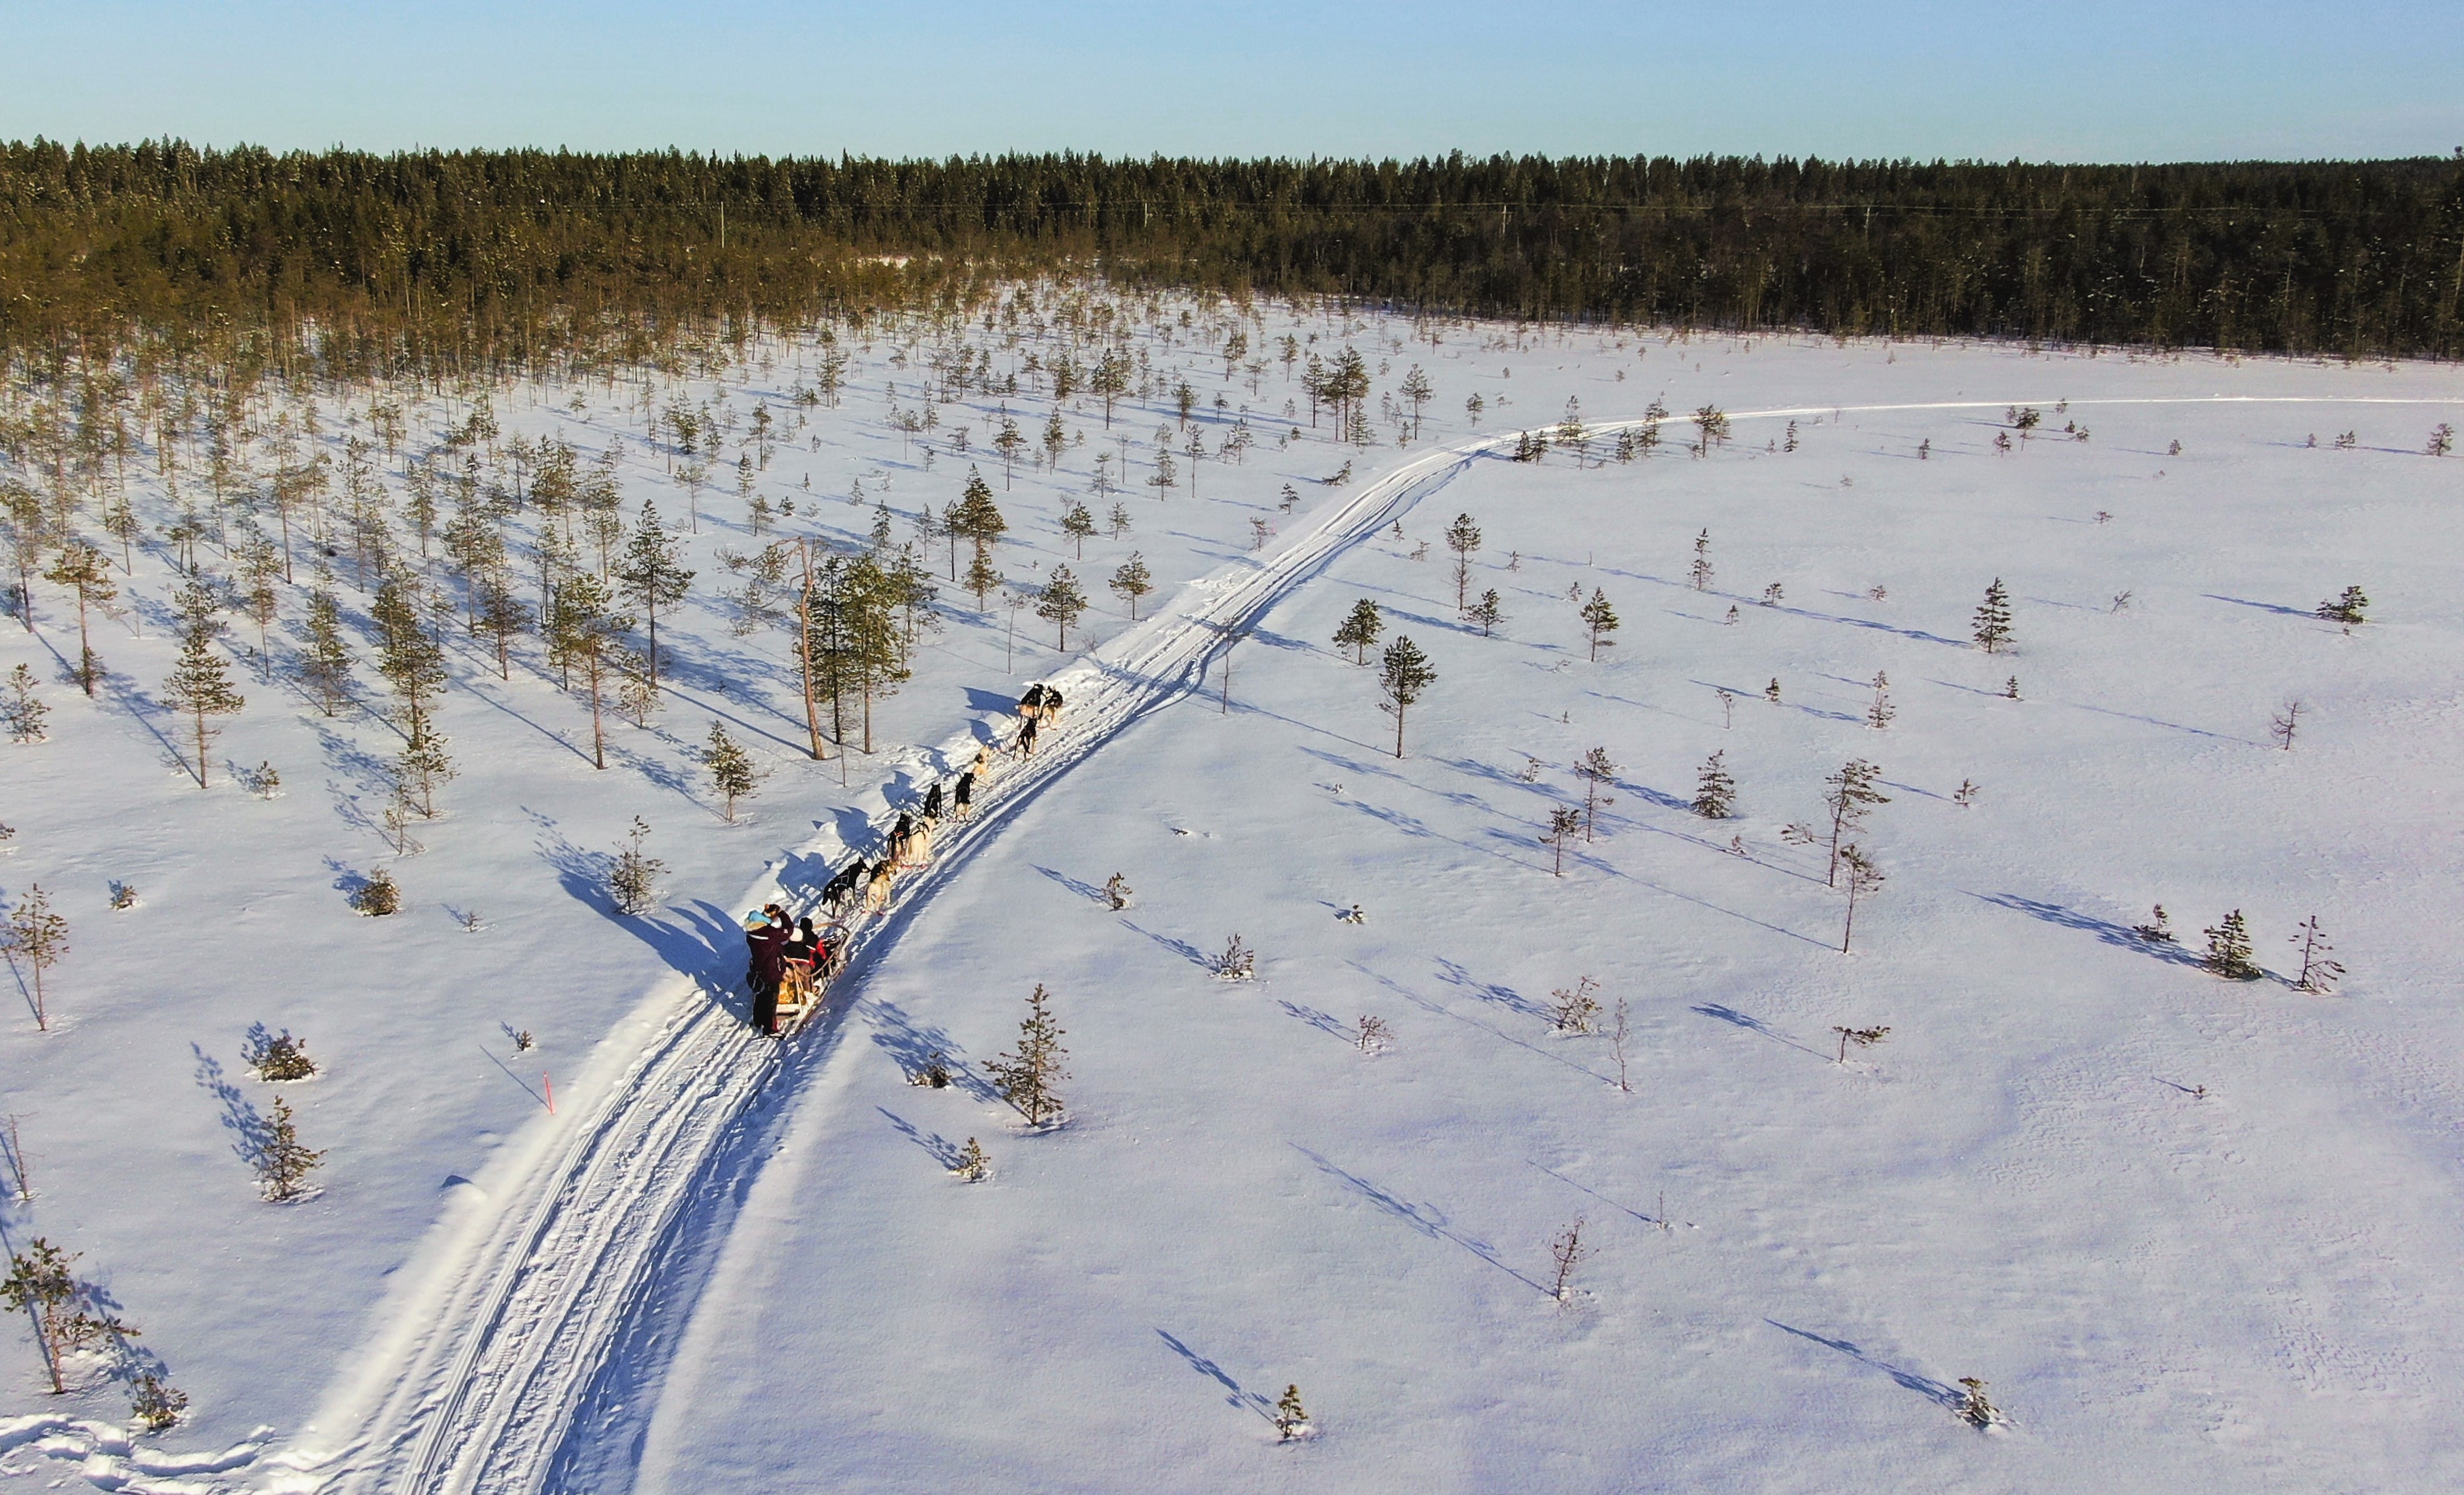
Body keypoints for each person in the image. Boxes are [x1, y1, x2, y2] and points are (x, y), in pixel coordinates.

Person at [745, 909, 789, 1035]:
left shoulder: (751, 934)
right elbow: (788, 930)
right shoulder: (767, 933)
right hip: (772, 971)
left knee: (761, 995)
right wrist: (781, 913)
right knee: (772, 1000)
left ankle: (758, 1021)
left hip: (759, 969)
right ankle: (770, 1029)